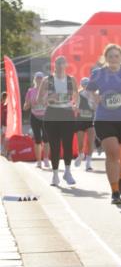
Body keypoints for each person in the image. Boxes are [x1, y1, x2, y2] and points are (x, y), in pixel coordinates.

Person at [87, 45, 121, 204]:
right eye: (110, 56)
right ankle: (115, 192)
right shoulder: (98, 74)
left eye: (116, 56)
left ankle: (120, 178)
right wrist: (94, 97)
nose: (113, 59)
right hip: (105, 118)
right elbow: (89, 90)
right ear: (105, 57)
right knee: (112, 153)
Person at [40, 56, 79, 187]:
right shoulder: (47, 80)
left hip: (67, 113)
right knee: (54, 146)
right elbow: (39, 100)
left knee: (68, 145)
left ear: (66, 65)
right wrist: (48, 98)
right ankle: (55, 174)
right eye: (58, 64)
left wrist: (75, 106)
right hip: (52, 113)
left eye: (63, 63)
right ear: (54, 66)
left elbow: (76, 97)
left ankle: (67, 172)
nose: (61, 66)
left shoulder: (71, 79)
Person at [25, 72, 50, 169]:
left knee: (46, 139)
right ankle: (39, 161)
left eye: (41, 78)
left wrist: (46, 103)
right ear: (35, 79)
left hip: (45, 117)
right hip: (34, 116)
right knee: (37, 139)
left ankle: (46, 159)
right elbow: (25, 106)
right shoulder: (30, 91)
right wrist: (28, 105)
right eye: (37, 78)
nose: (39, 80)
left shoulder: (47, 91)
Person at [75, 78, 96, 172]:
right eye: (84, 84)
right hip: (81, 120)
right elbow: (77, 107)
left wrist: (92, 106)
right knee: (80, 142)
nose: (86, 86)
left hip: (91, 120)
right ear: (82, 85)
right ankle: (80, 154)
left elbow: (96, 107)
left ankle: (88, 163)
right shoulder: (79, 94)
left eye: (88, 84)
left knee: (90, 141)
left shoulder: (94, 94)